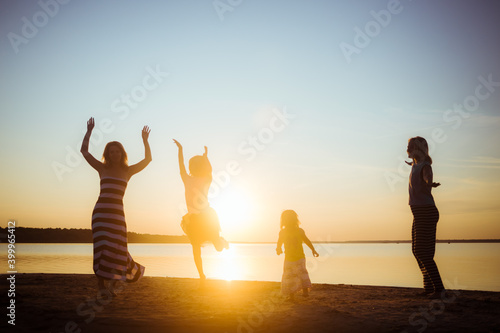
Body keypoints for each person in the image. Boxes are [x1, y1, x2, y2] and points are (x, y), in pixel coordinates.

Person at [81, 117, 152, 295]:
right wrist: (89, 131)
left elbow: (148, 159)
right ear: (107, 154)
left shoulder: (128, 171)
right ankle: (101, 285)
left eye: (117, 151)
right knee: (102, 248)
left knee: (118, 249)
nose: (115, 154)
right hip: (100, 213)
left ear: (122, 153)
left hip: (117, 215)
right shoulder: (101, 168)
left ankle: (113, 285)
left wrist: (145, 141)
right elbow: (84, 151)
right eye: (111, 152)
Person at [173, 139, 228, 283]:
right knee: (196, 248)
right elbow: (181, 166)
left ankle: (221, 241)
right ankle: (201, 275)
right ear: (192, 167)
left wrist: (206, 157)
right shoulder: (186, 178)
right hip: (193, 220)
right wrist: (180, 150)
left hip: (206, 216)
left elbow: (209, 170)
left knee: (218, 247)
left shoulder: (205, 179)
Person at [406, 136, 444, 297]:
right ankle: (428, 288)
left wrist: (429, 183)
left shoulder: (425, 166)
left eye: (410, 146)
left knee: (422, 252)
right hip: (418, 212)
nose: (407, 149)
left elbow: (428, 176)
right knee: (417, 251)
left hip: (426, 212)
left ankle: (439, 289)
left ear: (418, 148)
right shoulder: (415, 165)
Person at [276, 210, 319, 300]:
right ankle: (294, 294)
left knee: (299, 274)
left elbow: (307, 241)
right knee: (292, 275)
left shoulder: (299, 231)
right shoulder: (283, 232)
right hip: (290, 258)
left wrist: (313, 250)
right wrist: (278, 249)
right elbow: (279, 243)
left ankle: (303, 292)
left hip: (298, 257)